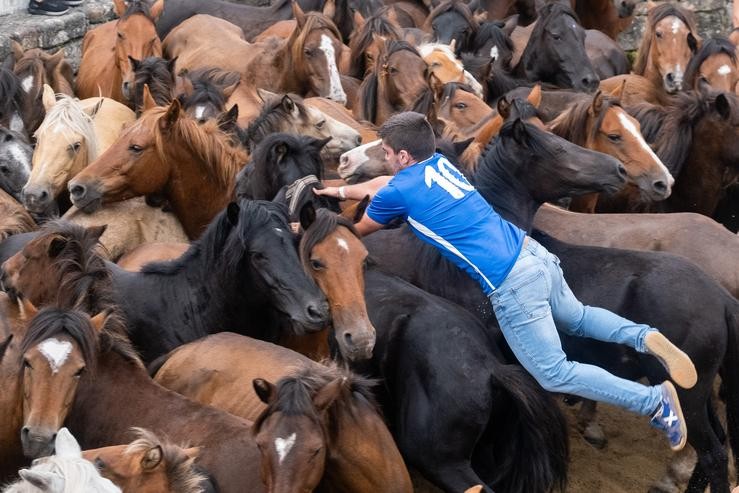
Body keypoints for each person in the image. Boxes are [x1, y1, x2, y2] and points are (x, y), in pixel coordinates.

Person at [315, 111, 697, 451]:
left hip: (512, 283)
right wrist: (341, 189)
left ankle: (652, 402)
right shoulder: (440, 167)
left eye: (385, 151)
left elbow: (351, 232)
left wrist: (310, 227)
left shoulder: (397, 191)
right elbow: (383, 182)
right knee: (577, 316)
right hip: (534, 255)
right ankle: (642, 335)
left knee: (553, 372)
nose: (383, 157)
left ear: (401, 156)